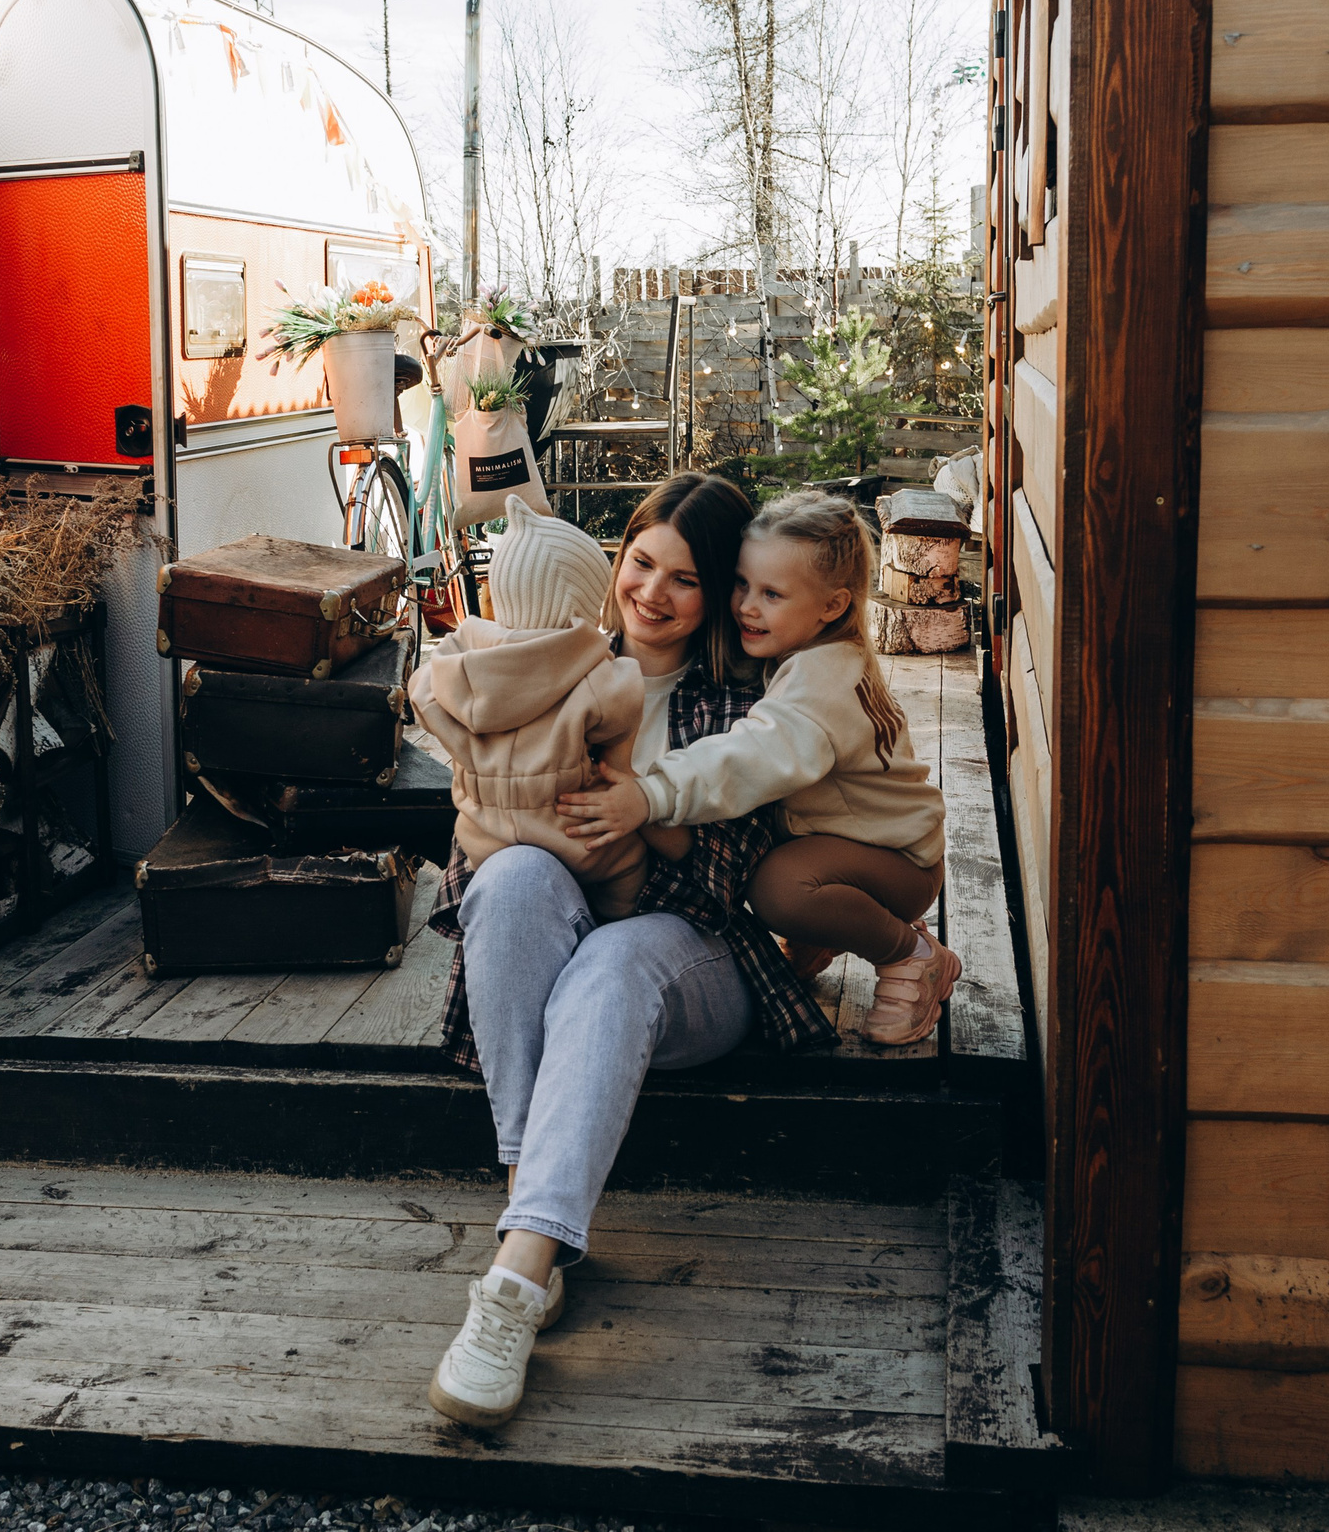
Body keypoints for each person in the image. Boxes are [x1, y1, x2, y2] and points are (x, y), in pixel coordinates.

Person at [419, 474, 838, 1430]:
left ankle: (512, 1290)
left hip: (694, 965)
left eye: (685, 579)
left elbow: (749, 887)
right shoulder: (551, 666)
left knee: (615, 964)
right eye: (641, 562)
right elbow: (467, 864)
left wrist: (647, 835)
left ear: (719, 590)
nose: (652, 593)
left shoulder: (745, 702)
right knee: (513, 881)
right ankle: (539, 1224)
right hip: (555, 948)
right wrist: (535, 843)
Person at [561, 488, 960, 1047]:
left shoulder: (820, 684)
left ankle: (910, 954)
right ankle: (828, 928)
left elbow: (748, 759)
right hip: (852, 840)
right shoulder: (812, 656)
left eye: (772, 593)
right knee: (773, 864)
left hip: (895, 860)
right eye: (742, 584)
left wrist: (650, 795)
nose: (747, 605)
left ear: (832, 606)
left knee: (779, 889)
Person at [411, 496, 649, 920]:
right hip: (566, 831)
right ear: (580, 604)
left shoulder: (456, 662)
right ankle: (611, 927)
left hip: (481, 835)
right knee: (630, 861)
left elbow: (421, 691)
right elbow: (623, 703)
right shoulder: (592, 671)